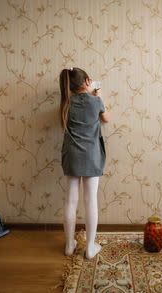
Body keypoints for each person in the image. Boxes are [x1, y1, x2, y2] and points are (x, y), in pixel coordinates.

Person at [59, 67, 110, 259]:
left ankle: (69, 245)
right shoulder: (96, 101)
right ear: (88, 82)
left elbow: (62, 123)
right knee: (91, 201)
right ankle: (90, 248)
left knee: (70, 201)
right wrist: (98, 96)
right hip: (91, 156)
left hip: (71, 156)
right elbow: (106, 118)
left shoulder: (66, 102)